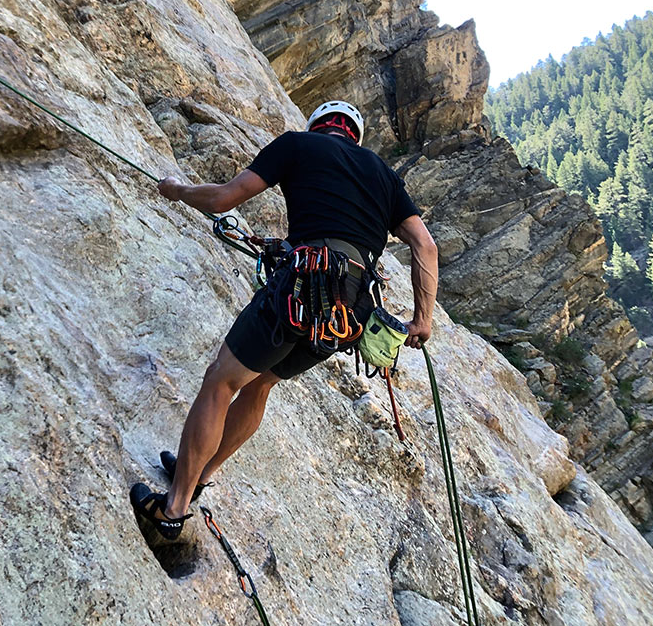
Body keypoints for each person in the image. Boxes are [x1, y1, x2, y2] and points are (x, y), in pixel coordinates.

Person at [129, 100, 439, 540]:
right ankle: (199, 474)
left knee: (222, 380)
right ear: (355, 135)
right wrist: (422, 319)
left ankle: (173, 508)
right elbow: (425, 246)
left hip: (303, 285)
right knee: (260, 383)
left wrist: (178, 190)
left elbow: (223, 199)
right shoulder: (385, 176)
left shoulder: (298, 145)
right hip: (350, 314)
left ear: (318, 127)